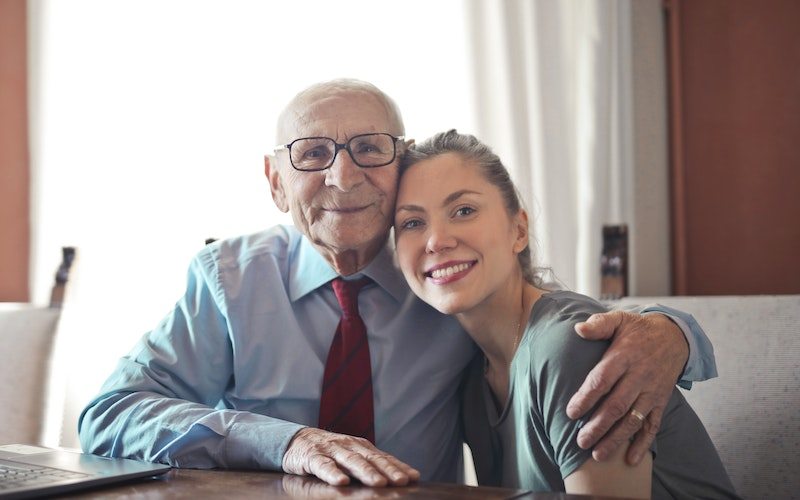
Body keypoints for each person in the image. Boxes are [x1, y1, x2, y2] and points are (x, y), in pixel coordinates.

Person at [79, 79, 718, 488]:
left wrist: (673, 333)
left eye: (368, 148)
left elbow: (555, 325)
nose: (342, 175)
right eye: (311, 154)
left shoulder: (442, 279)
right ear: (276, 182)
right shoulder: (228, 281)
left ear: (398, 166)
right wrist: (288, 442)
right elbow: (107, 415)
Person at [393, 129, 738, 498]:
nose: (436, 240)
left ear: (519, 230)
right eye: (413, 222)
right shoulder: (473, 379)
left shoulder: (569, 347)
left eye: (464, 210)